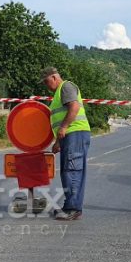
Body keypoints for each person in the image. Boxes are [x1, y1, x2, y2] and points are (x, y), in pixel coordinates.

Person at [42, 66, 91, 221]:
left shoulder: (66, 87)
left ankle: (73, 208)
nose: (46, 85)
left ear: (54, 77)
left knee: (72, 171)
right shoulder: (58, 92)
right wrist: (58, 142)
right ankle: (69, 206)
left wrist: (63, 127)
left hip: (75, 133)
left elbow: (74, 107)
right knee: (67, 171)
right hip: (69, 136)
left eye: (46, 81)